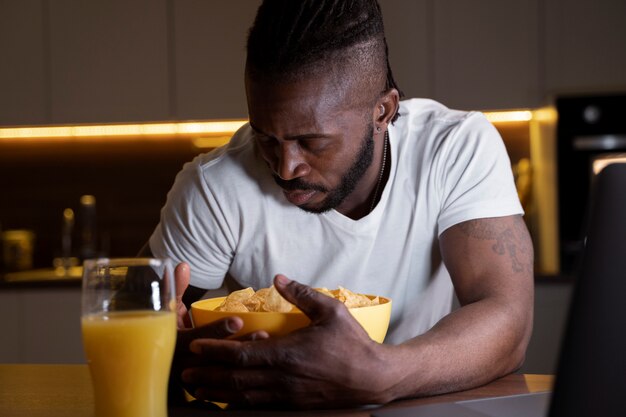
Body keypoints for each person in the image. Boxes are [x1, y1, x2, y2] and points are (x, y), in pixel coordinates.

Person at [143, 0, 534, 409]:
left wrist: (382, 373)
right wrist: (166, 351)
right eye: (266, 138)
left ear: (382, 111)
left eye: (311, 141)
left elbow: (508, 320)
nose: (286, 166)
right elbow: (136, 317)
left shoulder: (454, 149)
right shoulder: (215, 186)